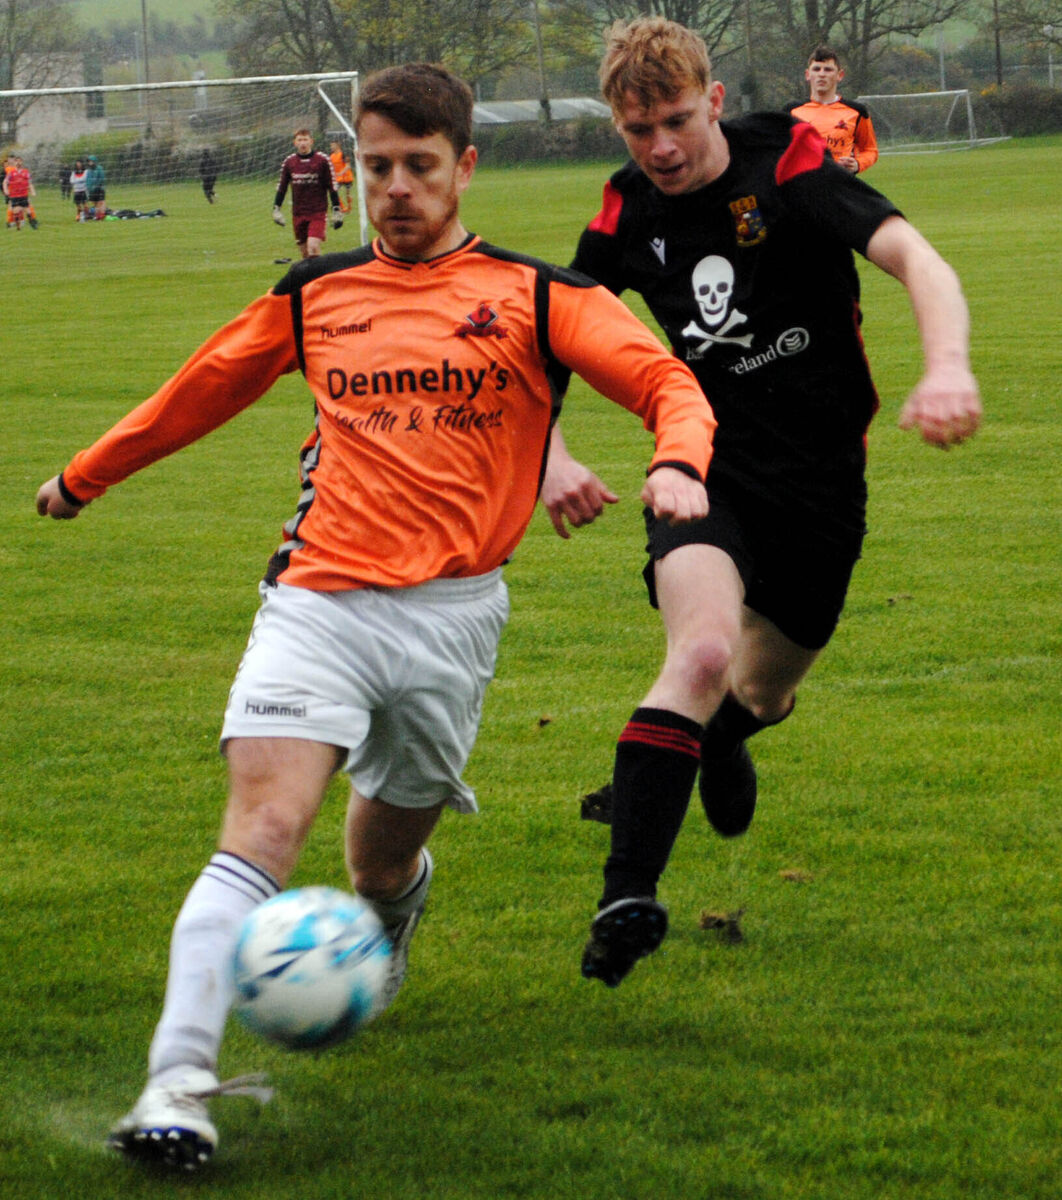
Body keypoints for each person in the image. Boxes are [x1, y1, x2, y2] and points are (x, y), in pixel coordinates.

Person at [36, 61, 714, 1171]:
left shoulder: (538, 297)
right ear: (353, 170)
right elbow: (200, 387)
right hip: (317, 601)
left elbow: (667, 382)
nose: (395, 188)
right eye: (378, 167)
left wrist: (680, 461)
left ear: (463, 168)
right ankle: (176, 1085)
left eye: (419, 167)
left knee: (380, 859)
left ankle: (389, 917)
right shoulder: (316, 293)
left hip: (453, 622)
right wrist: (87, 473)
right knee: (260, 831)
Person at [539, 18, 981, 988]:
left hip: (824, 484)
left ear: (717, 104)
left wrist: (946, 367)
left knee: (762, 688)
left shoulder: (792, 167)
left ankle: (725, 740)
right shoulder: (625, 213)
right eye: (637, 128)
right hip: (700, 469)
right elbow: (544, 346)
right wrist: (551, 459)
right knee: (699, 652)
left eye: (677, 121)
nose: (659, 147)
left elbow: (920, 261)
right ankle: (626, 898)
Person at [785, 45, 878, 174]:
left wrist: (858, 164)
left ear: (840, 75)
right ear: (808, 75)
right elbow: (779, 150)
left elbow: (870, 149)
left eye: (828, 70)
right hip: (803, 186)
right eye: (816, 69)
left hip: (840, 186)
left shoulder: (857, 112)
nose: (821, 74)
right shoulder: (791, 111)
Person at [272, 129, 343, 258]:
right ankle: (312, 277)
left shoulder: (322, 160)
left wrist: (336, 209)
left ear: (311, 141)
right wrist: (276, 209)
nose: (303, 143)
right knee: (305, 254)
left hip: (317, 212)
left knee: (313, 247)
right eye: (299, 140)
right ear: (295, 143)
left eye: (305, 140)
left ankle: (320, 277)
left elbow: (332, 186)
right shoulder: (289, 162)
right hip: (298, 213)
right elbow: (282, 187)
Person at [3, 154, 38, 229]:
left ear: (22, 162)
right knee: (14, 209)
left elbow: (29, 183)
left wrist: (32, 191)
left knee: (27, 208)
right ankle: (13, 222)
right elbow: (5, 182)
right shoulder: (10, 171)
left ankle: (32, 221)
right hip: (13, 194)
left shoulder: (25, 172)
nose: (18, 163)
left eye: (20, 161)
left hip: (23, 194)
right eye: (16, 161)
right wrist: (6, 190)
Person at [329, 138, 355, 213]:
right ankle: (342, 207)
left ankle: (349, 208)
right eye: (331, 146)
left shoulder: (343, 154)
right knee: (334, 191)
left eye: (333, 145)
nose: (331, 147)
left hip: (347, 177)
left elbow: (348, 166)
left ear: (338, 146)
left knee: (348, 194)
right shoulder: (332, 156)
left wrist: (341, 172)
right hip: (338, 178)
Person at [85, 154, 106, 219]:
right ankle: (97, 214)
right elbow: (88, 179)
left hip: (99, 188)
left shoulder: (99, 168)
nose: (90, 162)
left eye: (91, 161)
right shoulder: (89, 170)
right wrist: (88, 187)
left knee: (101, 201)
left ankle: (102, 214)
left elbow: (102, 178)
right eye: (89, 161)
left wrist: (96, 185)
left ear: (94, 161)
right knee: (94, 202)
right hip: (92, 190)